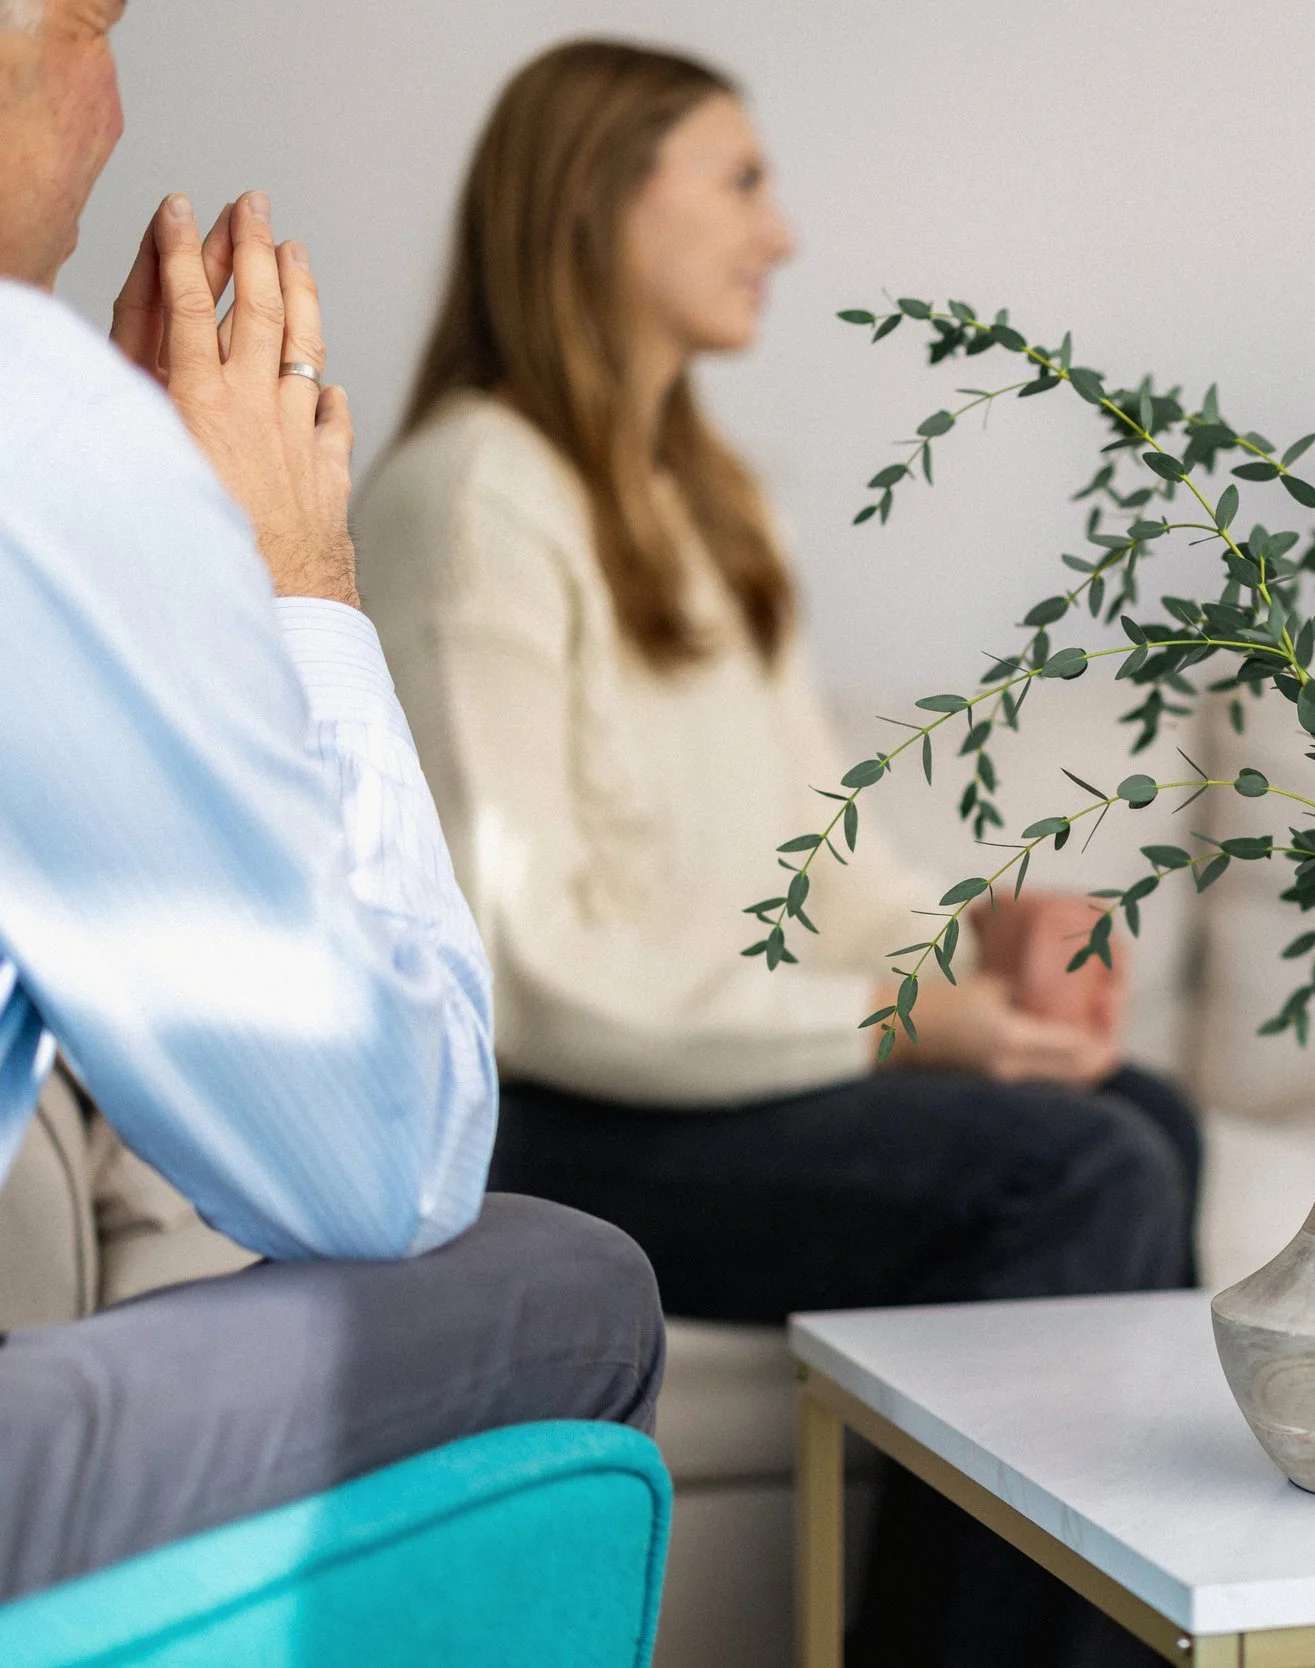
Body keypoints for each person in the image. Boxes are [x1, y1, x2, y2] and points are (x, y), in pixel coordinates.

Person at [351, 39, 1195, 1666]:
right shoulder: (471, 495)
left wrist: (981, 936)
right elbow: (523, 971)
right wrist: (893, 1021)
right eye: (741, 183)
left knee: (1145, 1117)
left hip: (702, 1082)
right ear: (601, 201)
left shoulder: (708, 499)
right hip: (552, 1113)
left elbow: (821, 857)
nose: (782, 234)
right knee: (1084, 1176)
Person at [0, 0, 662, 1601]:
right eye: (91, 25)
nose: (113, 104)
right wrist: (291, 581)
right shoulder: (30, 419)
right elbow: (388, 1165)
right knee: (572, 1286)